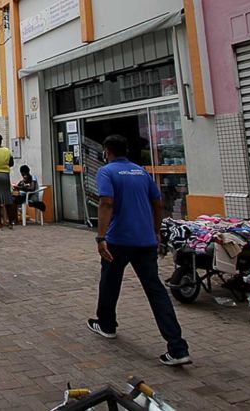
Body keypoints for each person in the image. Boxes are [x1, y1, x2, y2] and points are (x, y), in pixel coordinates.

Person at [87, 134, 191, 367]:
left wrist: (100, 237)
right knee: (156, 291)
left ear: (107, 152)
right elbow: (158, 203)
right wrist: (156, 231)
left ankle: (107, 324)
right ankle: (177, 346)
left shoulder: (107, 172)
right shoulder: (141, 172)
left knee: (110, 282)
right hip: (145, 242)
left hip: (117, 241)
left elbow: (106, 202)